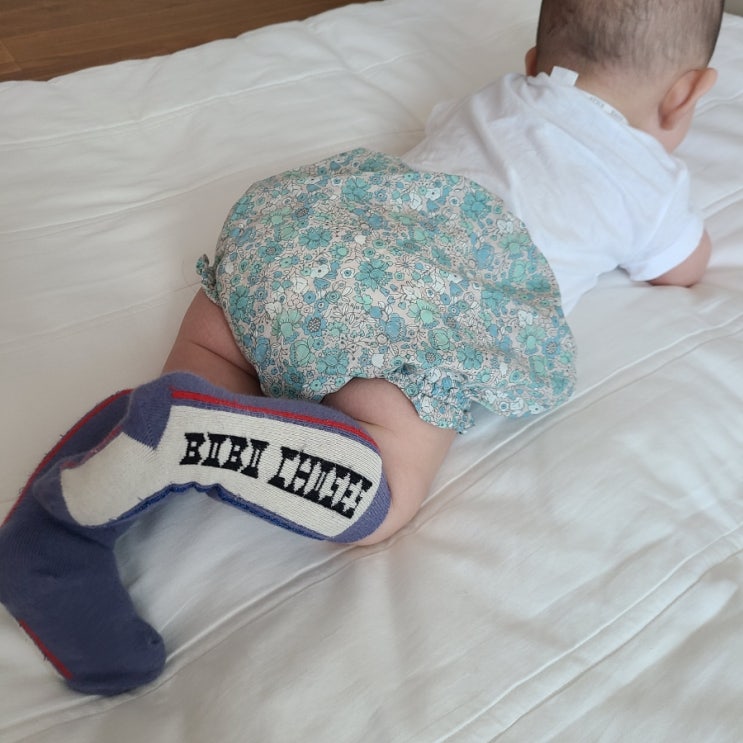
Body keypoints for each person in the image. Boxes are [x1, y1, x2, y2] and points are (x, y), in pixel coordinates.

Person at [0, 0, 724, 696]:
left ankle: (60, 530)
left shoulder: (497, 96)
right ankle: (200, 437)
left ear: (534, 62)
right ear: (686, 93)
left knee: (213, 357)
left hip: (303, 235)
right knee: (391, 485)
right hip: (414, 299)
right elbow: (683, 266)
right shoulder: (651, 178)